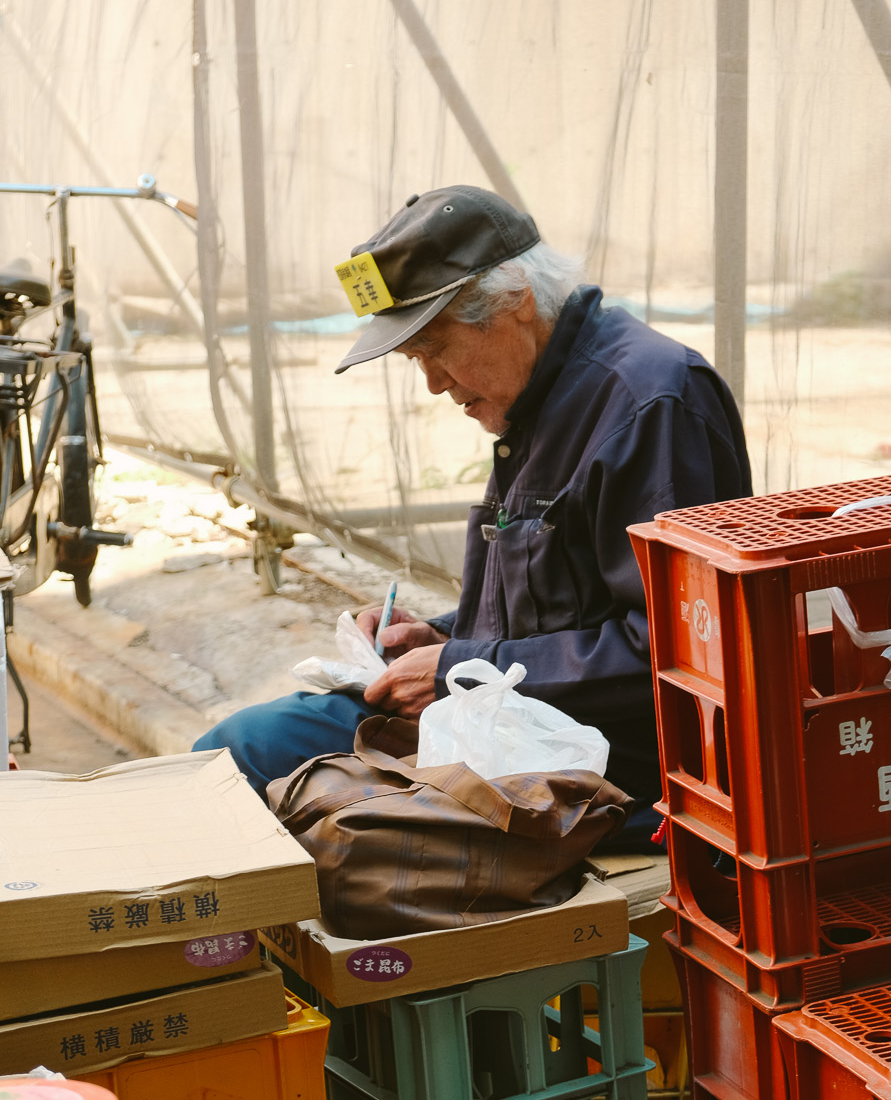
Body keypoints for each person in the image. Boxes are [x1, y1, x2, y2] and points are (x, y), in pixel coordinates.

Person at [195, 186, 751, 844]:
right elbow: (554, 603)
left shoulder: (648, 402)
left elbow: (677, 651)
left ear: (515, 300)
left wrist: (460, 665)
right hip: (502, 724)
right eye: (415, 359)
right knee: (231, 755)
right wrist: (435, 638)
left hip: (594, 766)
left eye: (435, 348)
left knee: (273, 783)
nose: (433, 382)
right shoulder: (541, 399)